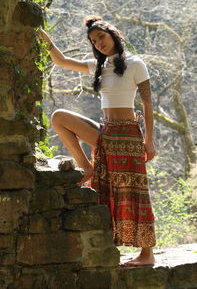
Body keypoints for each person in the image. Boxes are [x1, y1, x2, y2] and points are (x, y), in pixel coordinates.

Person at [38, 15, 156, 267]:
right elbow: (61, 60)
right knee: (59, 117)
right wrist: (42, 37)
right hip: (107, 131)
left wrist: (149, 141)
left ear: (112, 34)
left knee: (134, 191)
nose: (99, 43)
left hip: (128, 136)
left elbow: (147, 103)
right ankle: (87, 167)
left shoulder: (136, 64)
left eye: (101, 36)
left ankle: (147, 254)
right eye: (94, 41)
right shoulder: (99, 66)